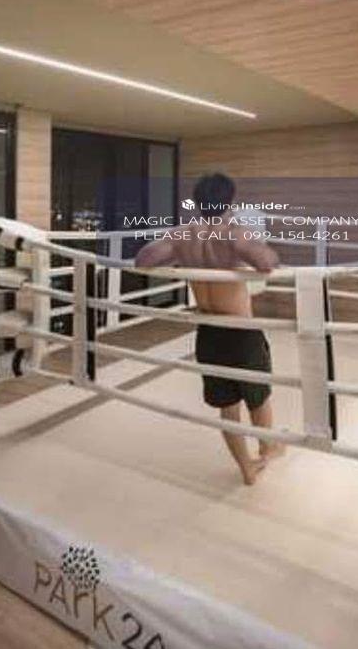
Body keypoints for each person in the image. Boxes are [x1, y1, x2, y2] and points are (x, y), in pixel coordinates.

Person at [135, 172, 283, 484]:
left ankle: (246, 469)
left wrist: (181, 251)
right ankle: (267, 448)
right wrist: (253, 240)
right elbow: (267, 263)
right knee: (258, 396)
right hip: (241, 332)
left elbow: (143, 260)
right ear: (230, 201)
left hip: (208, 331)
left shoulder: (182, 234)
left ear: (198, 202)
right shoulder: (233, 233)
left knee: (227, 405)